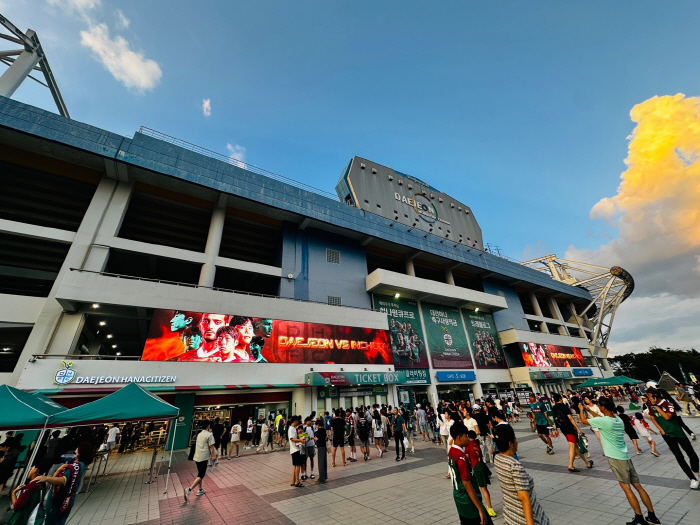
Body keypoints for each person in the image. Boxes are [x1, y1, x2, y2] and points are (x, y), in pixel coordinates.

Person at [579, 398, 660, 524]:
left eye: (599, 405)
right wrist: (590, 409)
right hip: (625, 456)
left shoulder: (603, 421)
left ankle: (639, 517)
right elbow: (601, 417)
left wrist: (580, 409)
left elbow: (582, 420)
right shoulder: (617, 419)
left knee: (626, 488)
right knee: (638, 487)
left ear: (603, 407)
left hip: (615, 458)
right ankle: (652, 516)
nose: (598, 407)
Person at [493, 424, 550, 525]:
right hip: (522, 518)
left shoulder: (497, 459)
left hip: (510, 515)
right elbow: (524, 498)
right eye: (515, 439)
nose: (517, 442)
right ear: (510, 443)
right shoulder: (515, 466)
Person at [646, 388, 700, 489]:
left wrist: (656, 407)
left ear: (655, 395)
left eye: (649, 395)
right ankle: (692, 478)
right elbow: (653, 418)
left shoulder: (668, 404)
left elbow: (667, 417)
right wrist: (661, 430)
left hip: (678, 433)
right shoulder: (650, 405)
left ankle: (696, 472)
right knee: (679, 456)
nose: (647, 397)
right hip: (667, 435)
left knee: (691, 454)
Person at [36, 442, 93, 525]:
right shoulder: (75, 465)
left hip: (60, 500)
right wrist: (59, 470)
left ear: (80, 454)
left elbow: (63, 480)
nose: (74, 452)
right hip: (62, 500)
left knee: (53, 520)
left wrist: (46, 478)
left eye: (76, 451)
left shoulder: (77, 466)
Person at [447, 422, 491, 525]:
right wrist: (480, 508)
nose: (467, 438)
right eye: (465, 436)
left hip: (459, 497)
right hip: (468, 500)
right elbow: (467, 483)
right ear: (459, 437)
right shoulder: (461, 457)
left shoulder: (452, 451)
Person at [551, 393, 593, 472]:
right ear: (560, 399)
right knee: (572, 446)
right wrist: (578, 429)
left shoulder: (554, 407)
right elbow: (570, 418)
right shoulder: (564, 406)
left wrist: (555, 429)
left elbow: (554, 418)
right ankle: (570, 465)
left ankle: (587, 463)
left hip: (563, 429)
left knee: (576, 447)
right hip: (569, 428)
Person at [8, 460, 50, 525]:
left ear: (36, 470)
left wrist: (14, 493)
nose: (28, 471)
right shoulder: (41, 483)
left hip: (24, 518)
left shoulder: (31, 485)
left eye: (31, 468)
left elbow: (17, 506)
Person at [184, 420, 215, 503]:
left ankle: (200, 489)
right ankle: (189, 489)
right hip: (203, 457)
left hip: (197, 456)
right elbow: (211, 447)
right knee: (201, 474)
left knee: (199, 473)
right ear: (208, 426)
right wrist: (213, 456)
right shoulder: (209, 435)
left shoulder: (199, 434)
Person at [288, 416, 305, 487]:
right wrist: (300, 440)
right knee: (297, 466)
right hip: (295, 450)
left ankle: (293, 481)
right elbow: (292, 439)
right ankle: (297, 481)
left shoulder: (293, 428)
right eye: (297, 421)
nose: (298, 422)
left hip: (294, 449)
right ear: (294, 421)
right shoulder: (291, 429)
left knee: (295, 466)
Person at [314, 419, 328, 483]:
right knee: (324, 462)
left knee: (321, 463)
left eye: (316, 425)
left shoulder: (318, 431)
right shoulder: (324, 430)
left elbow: (317, 439)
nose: (316, 426)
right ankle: (324, 476)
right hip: (324, 447)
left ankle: (321, 478)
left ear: (318, 425)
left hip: (320, 447)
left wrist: (314, 439)